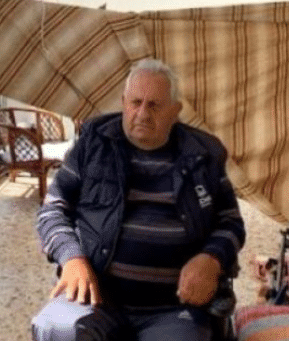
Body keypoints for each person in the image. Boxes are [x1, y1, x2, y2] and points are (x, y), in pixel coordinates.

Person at [32, 58, 246, 340]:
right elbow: (52, 211)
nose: (142, 113)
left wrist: (212, 258)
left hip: (174, 307)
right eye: (136, 102)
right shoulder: (93, 144)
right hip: (95, 295)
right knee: (55, 329)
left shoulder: (203, 155)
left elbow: (231, 222)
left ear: (175, 111)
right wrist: (71, 257)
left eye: (154, 105)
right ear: (124, 103)